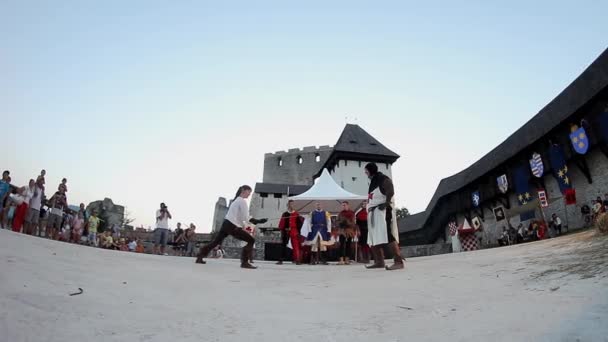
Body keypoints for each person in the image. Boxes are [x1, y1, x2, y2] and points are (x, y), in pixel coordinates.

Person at [195, 185, 267, 269]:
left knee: (216, 242)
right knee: (251, 240)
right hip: (232, 225)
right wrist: (258, 221)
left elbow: (241, 217)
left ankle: (200, 256)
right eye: (249, 192)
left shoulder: (236, 200)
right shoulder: (242, 201)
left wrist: (254, 221)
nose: (249, 194)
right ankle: (244, 262)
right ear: (243, 190)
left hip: (226, 223)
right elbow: (245, 217)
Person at [364, 162, 404, 270]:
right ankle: (379, 261)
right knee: (373, 236)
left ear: (370, 170)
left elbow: (390, 189)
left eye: (366, 171)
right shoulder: (373, 181)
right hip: (374, 213)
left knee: (387, 234)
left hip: (382, 211)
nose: (365, 173)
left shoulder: (382, 178)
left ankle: (398, 261)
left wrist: (386, 203)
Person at [277, 200, 304, 265]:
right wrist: (282, 229)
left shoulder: (296, 214)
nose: (291, 206)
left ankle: (297, 259)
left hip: (294, 231)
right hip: (286, 231)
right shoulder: (285, 214)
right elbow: (282, 223)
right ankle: (281, 259)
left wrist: (298, 232)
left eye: (292, 204)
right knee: (283, 245)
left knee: (295, 246)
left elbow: (300, 224)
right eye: (290, 204)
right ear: (288, 205)